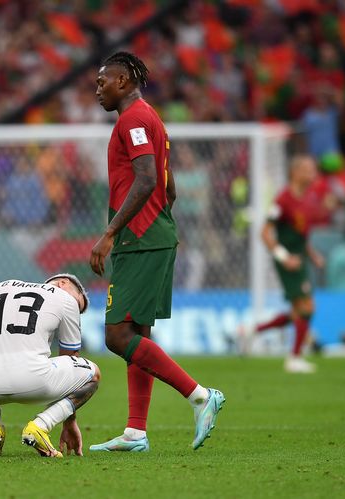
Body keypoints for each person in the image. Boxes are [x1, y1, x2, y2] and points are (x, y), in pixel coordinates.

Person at [88, 52, 225, 453]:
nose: (98, 89)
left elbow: (148, 179)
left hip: (139, 237)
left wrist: (112, 232)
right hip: (152, 233)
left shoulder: (133, 120)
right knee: (138, 331)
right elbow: (170, 184)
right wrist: (158, 222)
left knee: (117, 335)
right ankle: (135, 432)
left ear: (125, 81)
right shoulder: (149, 118)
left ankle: (200, 396)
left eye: (103, 82)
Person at [0, 274, 99, 458]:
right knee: (93, 374)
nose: (76, 308)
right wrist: (69, 422)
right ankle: (40, 426)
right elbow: (70, 358)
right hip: (34, 383)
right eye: (78, 303)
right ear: (63, 283)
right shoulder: (65, 299)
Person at [239, 155, 326, 373]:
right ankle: (294, 358)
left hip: (300, 259)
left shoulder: (308, 198)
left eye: (312, 169)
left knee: (298, 311)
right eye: (307, 169)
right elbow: (264, 232)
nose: (311, 173)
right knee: (307, 306)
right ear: (294, 172)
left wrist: (312, 254)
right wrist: (283, 256)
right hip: (288, 262)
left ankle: (252, 331)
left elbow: (299, 235)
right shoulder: (283, 200)